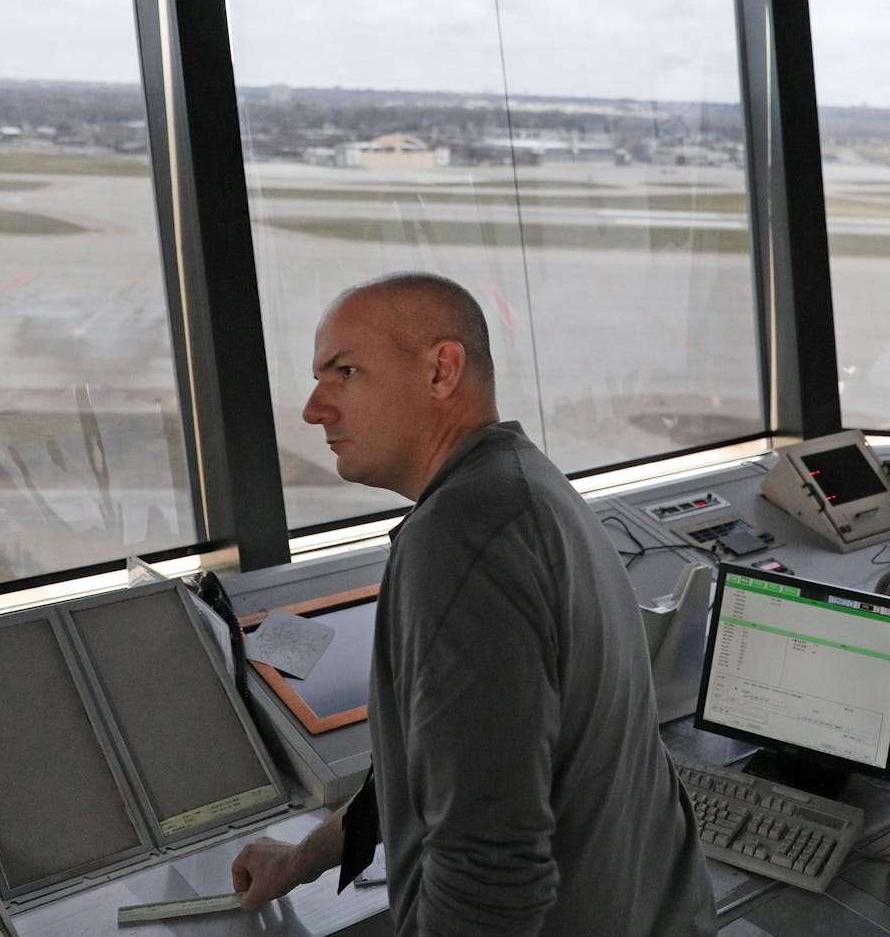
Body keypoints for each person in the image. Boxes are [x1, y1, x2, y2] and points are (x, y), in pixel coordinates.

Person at [231, 272, 716, 935]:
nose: (316, 408)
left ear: (441, 371)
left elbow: (489, 871)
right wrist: (305, 857)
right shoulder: (523, 487)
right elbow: (443, 767)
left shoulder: (462, 542)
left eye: (345, 372)